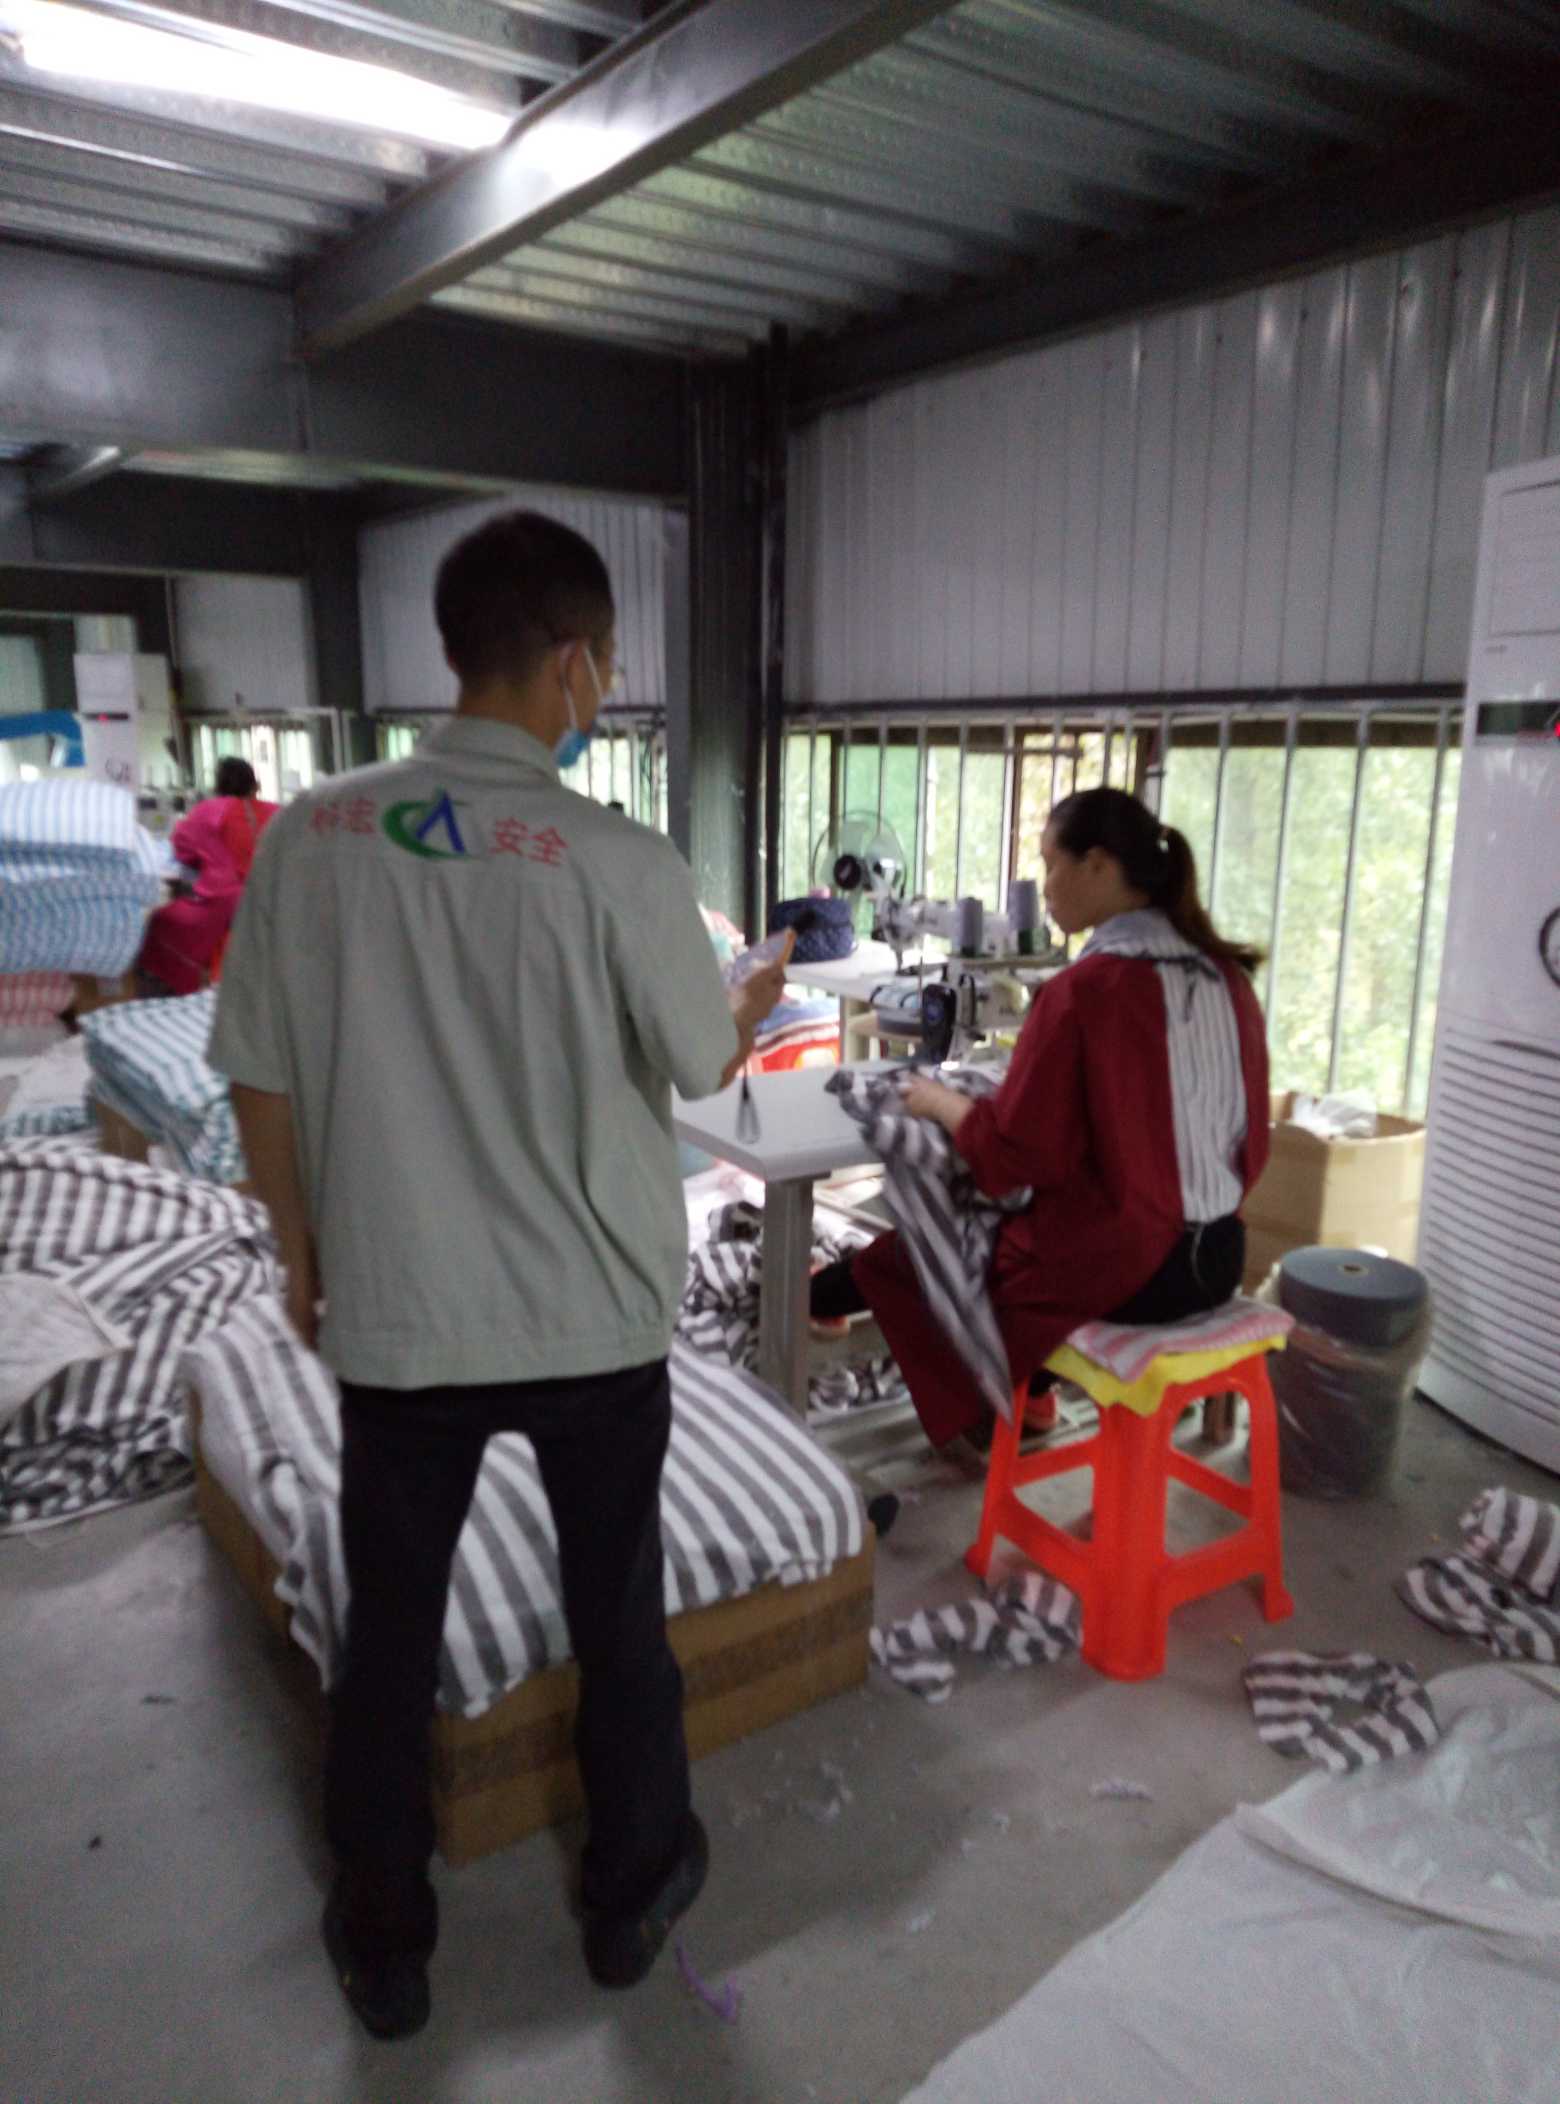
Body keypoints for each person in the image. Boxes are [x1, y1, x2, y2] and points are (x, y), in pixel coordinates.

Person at [207, 510, 791, 2040]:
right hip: (593, 1318)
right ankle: (633, 1895)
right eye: (607, 662)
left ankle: (387, 1941)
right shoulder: (620, 859)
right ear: (577, 662)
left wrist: (298, 1254)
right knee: (618, 1615)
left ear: (458, 649)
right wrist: (747, 1001)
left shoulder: (317, 835)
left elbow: (259, 1075)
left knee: (389, 1633)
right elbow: (699, 1063)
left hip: (403, 1316)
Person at [810, 786, 1270, 1467]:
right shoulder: (1226, 979)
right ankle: (1033, 1388)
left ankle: (995, 1397)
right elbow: (1244, 1143)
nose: (1044, 887)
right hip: (1222, 1258)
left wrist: (940, 1103)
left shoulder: (1085, 991)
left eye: (1052, 865)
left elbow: (1008, 1159)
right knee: (1005, 1230)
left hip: (1134, 1275)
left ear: (1099, 865)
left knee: (932, 1250)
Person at [136, 757, 278, 995]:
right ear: (254, 784)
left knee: (160, 922)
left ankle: (190, 988)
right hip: (274, 901)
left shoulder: (208, 811)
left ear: (218, 785)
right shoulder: (277, 812)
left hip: (223, 905)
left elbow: (182, 850)